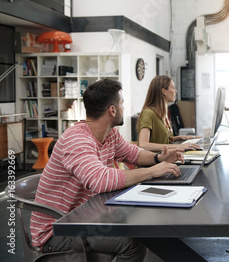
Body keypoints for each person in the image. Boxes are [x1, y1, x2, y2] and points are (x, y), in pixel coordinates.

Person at [31, 79, 185, 261]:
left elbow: (133, 154)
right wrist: (152, 171)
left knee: (137, 226)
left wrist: (159, 158)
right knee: (133, 243)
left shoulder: (110, 134)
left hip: (85, 217)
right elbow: (100, 180)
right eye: (122, 104)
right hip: (57, 229)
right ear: (112, 110)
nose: (123, 108)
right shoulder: (76, 140)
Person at [137, 75, 200, 151]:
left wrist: (179, 138)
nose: (175, 91)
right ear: (164, 91)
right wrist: (178, 146)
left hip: (164, 159)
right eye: (173, 88)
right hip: (153, 161)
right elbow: (143, 145)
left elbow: (161, 140)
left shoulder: (162, 113)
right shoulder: (149, 113)